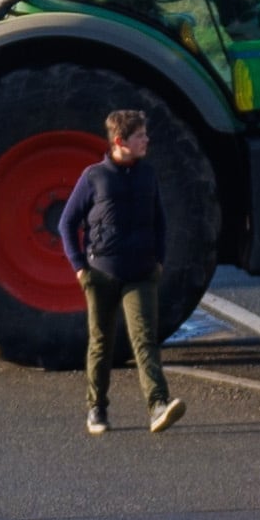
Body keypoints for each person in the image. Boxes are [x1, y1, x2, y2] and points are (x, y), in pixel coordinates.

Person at [58, 107, 179, 435]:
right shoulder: (94, 177)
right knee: (101, 342)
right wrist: (80, 268)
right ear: (119, 141)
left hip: (141, 274)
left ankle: (158, 405)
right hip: (101, 275)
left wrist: (159, 261)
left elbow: (160, 221)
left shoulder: (147, 174)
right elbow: (66, 223)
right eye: (140, 135)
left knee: (145, 340)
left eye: (144, 134)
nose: (146, 140)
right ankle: (96, 409)